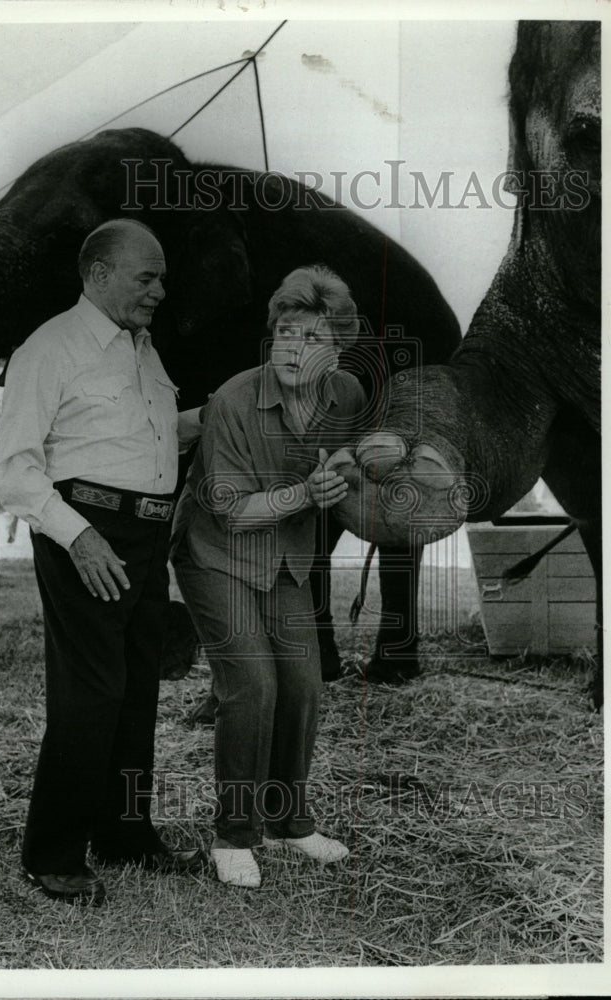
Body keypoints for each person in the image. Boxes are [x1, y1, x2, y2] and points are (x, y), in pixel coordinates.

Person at [0, 219, 207, 905]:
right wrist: (78, 538)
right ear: (98, 273)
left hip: (146, 537)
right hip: (85, 531)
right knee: (93, 691)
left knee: (138, 685)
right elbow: (14, 471)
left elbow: (154, 435)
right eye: (147, 277)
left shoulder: (143, 351)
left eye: (162, 277)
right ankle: (51, 853)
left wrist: (236, 406)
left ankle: (124, 833)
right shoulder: (50, 348)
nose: (161, 291)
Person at [171, 265, 367, 888]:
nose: (292, 348)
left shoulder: (347, 397)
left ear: (336, 351)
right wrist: (307, 494)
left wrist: (356, 479)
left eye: (311, 338)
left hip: (287, 558)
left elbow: (353, 466)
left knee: (304, 684)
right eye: (285, 333)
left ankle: (291, 823)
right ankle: (234, 835)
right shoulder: (231, 401)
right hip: (214, 551)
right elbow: (230, 509)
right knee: (252, 683)